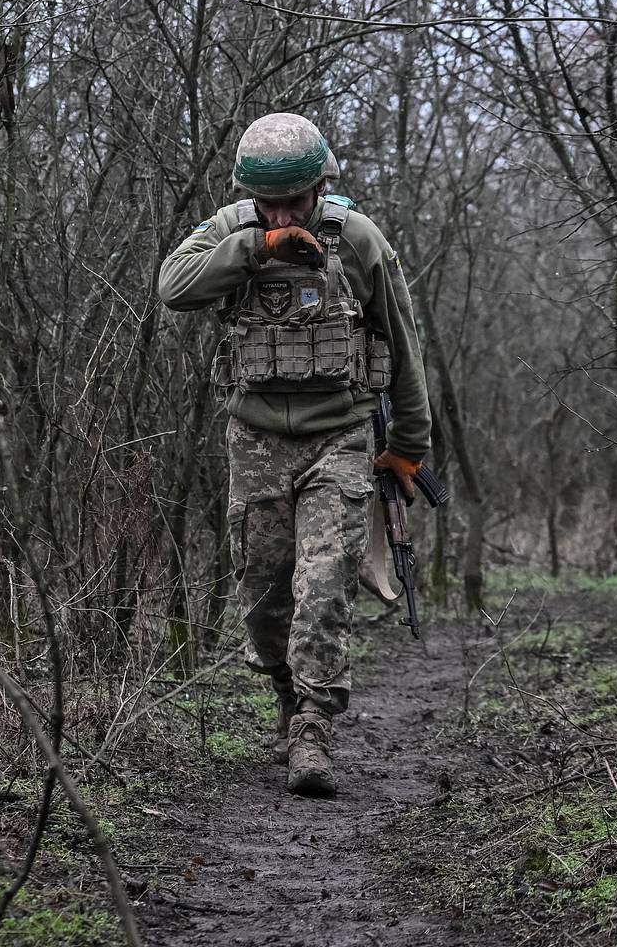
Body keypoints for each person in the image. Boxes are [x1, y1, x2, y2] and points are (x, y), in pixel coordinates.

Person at [157, 113, 431, 797]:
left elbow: (402, 346)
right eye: (269, 201)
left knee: (323, 583)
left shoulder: (358, 238)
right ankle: (287, 694)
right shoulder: (228, 231)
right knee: (263, 593)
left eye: (295, 200)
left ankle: (313, 726)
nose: (285, 212)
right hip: (254, 442)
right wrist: (258, 245)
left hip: (338, 435)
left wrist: (407, 447)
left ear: (320, 187)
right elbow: (173, 287)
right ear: (251, 194)